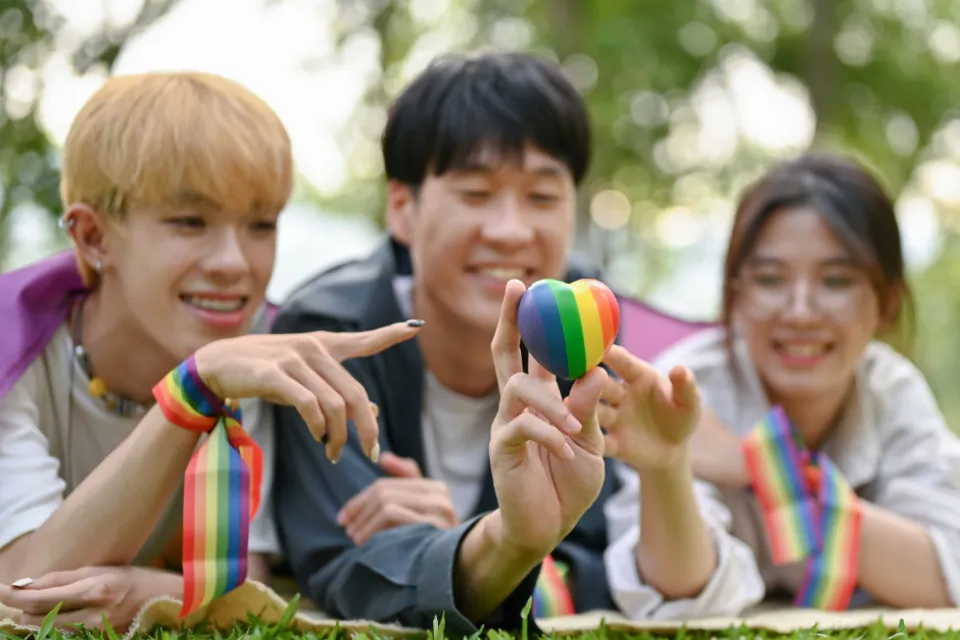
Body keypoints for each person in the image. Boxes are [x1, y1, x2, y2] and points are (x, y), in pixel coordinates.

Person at [270, 51, 761, 636]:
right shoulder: (329, 335)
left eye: (543, 197)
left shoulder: (581, 321)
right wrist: (498, 540)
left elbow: (613, 566)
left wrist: (664, 466)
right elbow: (342, 563)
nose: (510, 231)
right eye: (476, 193)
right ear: (402, 209)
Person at [0, 71, 421, 630]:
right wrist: (194, 388)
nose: (234, 263)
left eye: (260, 224)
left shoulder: (270, 355)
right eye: (190, 222)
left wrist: (155, 591)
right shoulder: (14, 350)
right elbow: (26, 591)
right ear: (94, 238)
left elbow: (258, 577)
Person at [621, 151, 960, 613]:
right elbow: (675, 595)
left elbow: (947, 575)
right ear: (736, 295)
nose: (800, 312)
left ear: (887, 302)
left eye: (836, 280)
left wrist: (763, 470)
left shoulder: (891, 390)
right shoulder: (683, 390)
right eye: (770, 279)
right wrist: (666, 466)